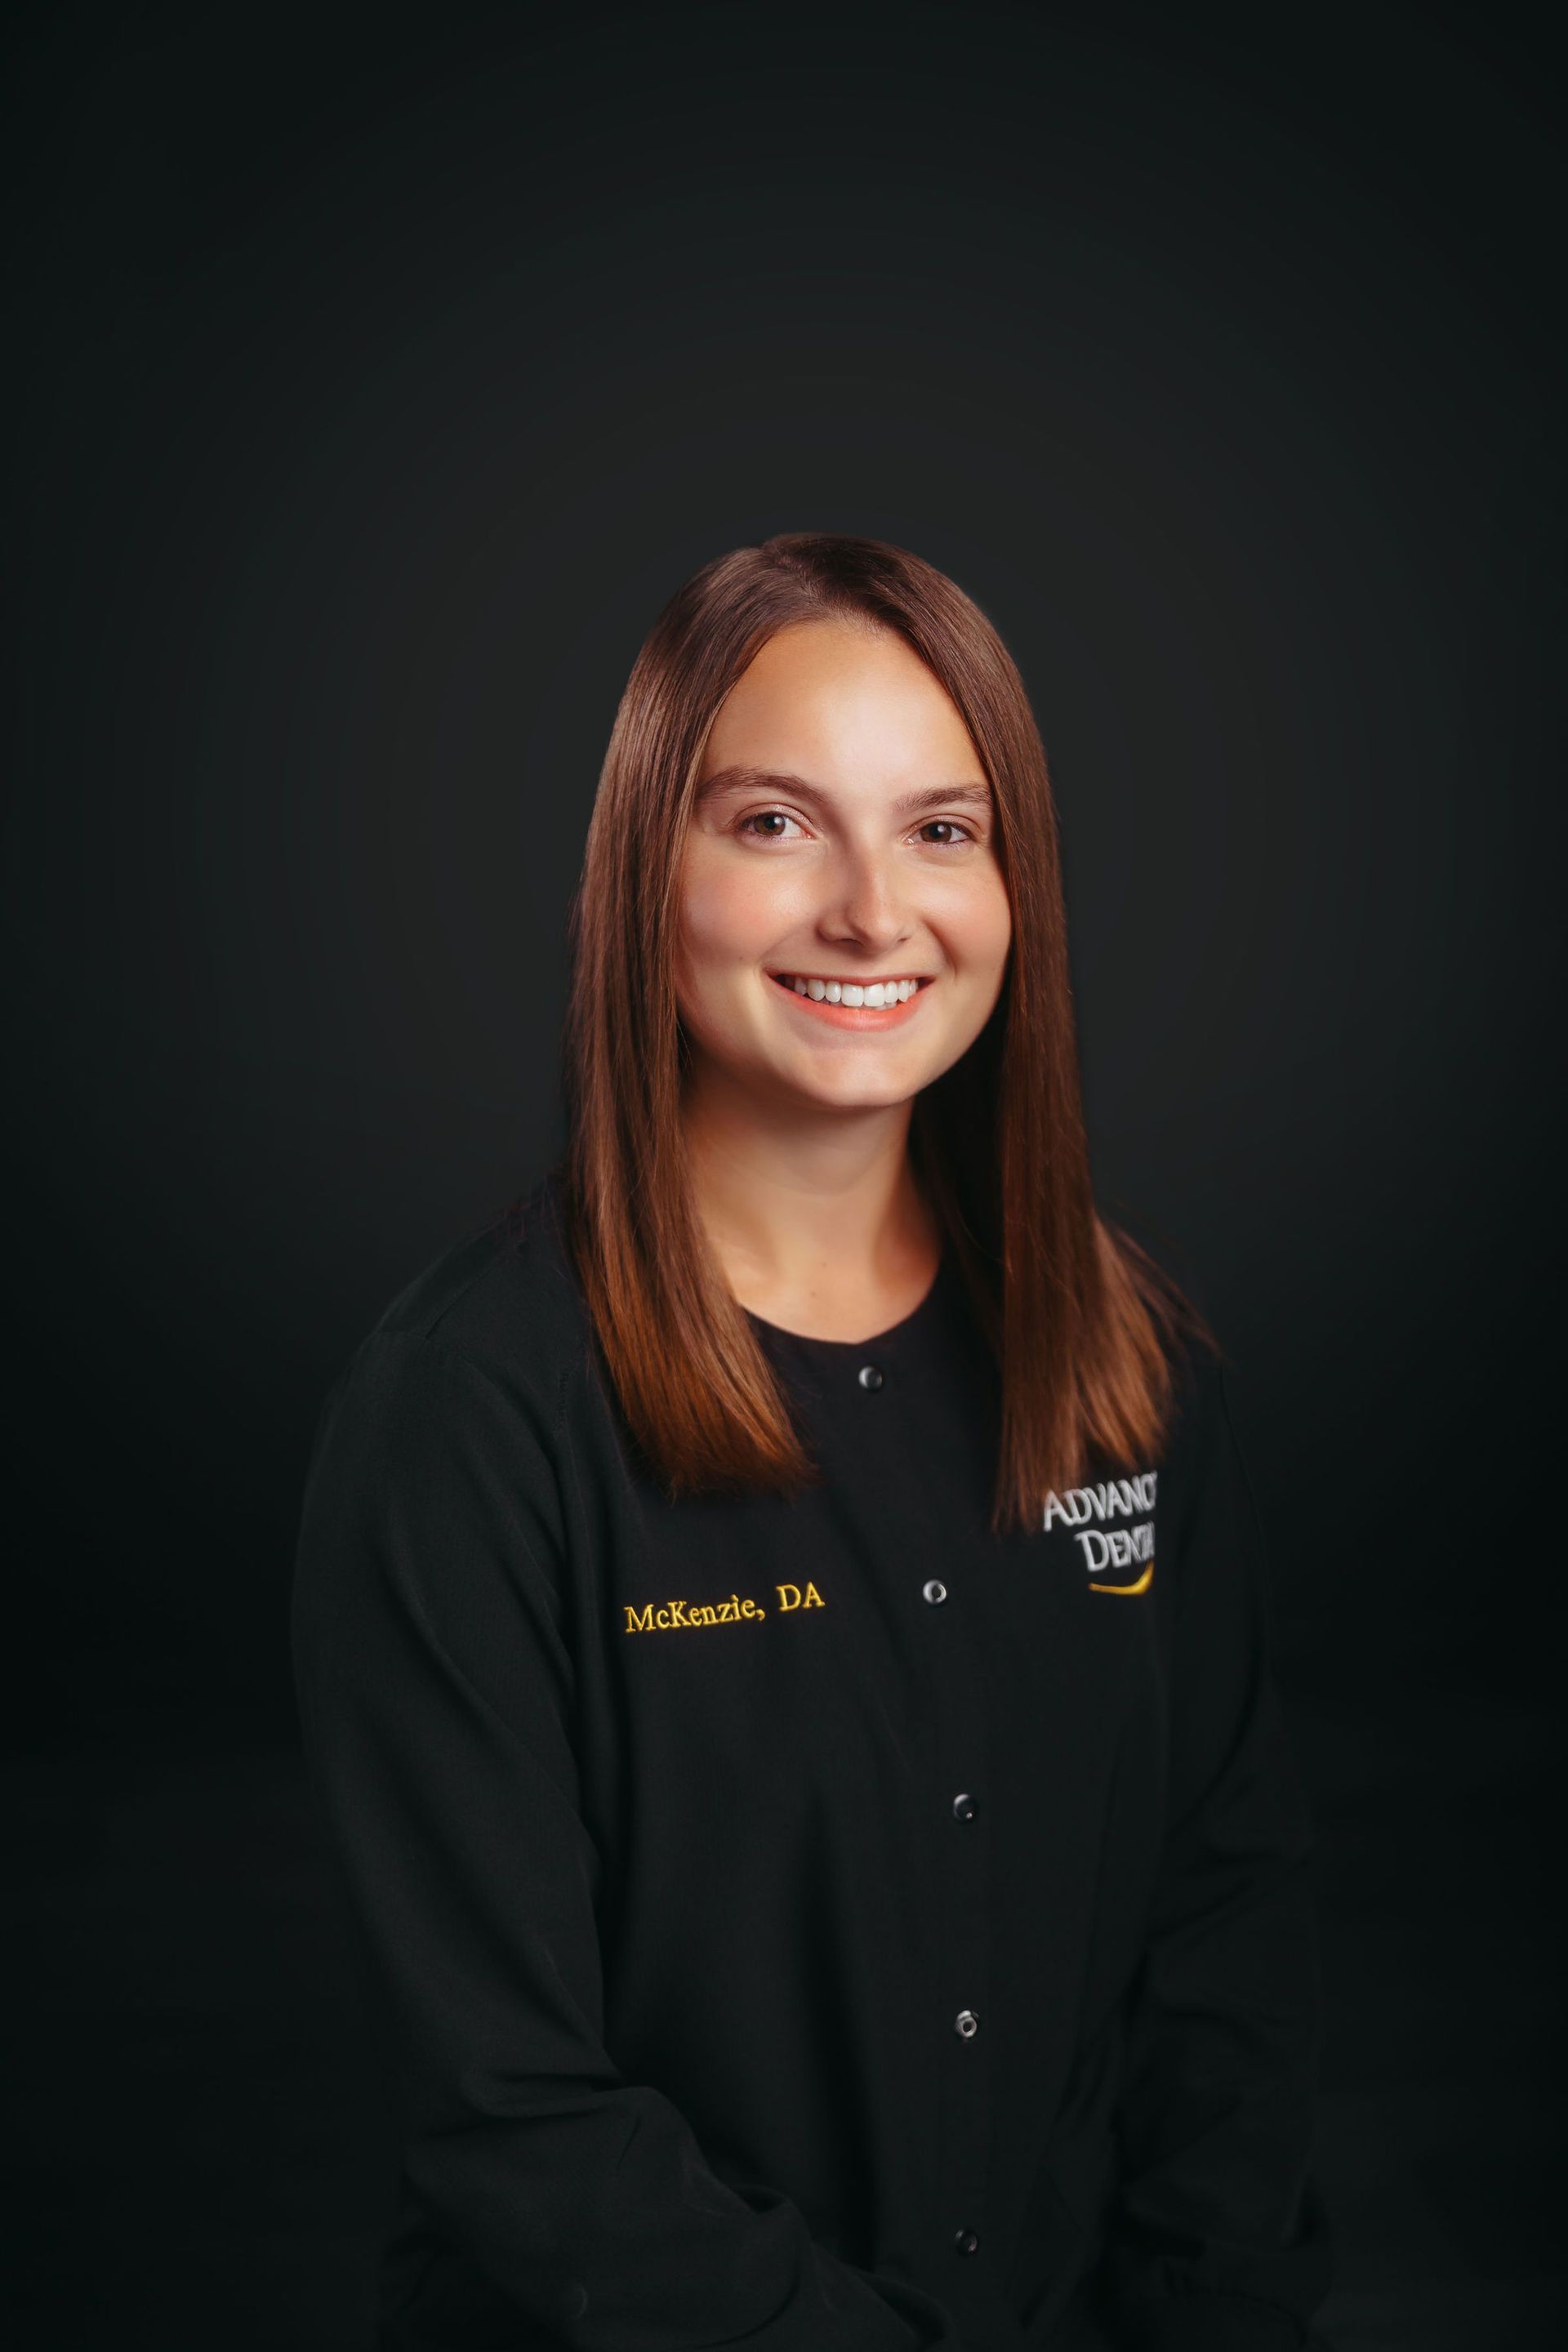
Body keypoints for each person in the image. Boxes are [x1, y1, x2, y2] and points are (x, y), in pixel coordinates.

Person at [291, 532, 1334, 2350]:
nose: (872, 911)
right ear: (643, 874)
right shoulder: (467, 1416)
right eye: (774, 823)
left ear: (1021, 888)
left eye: (944, 828)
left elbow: (1218, 1936)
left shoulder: (1137, 1365)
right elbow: (516, 2114)